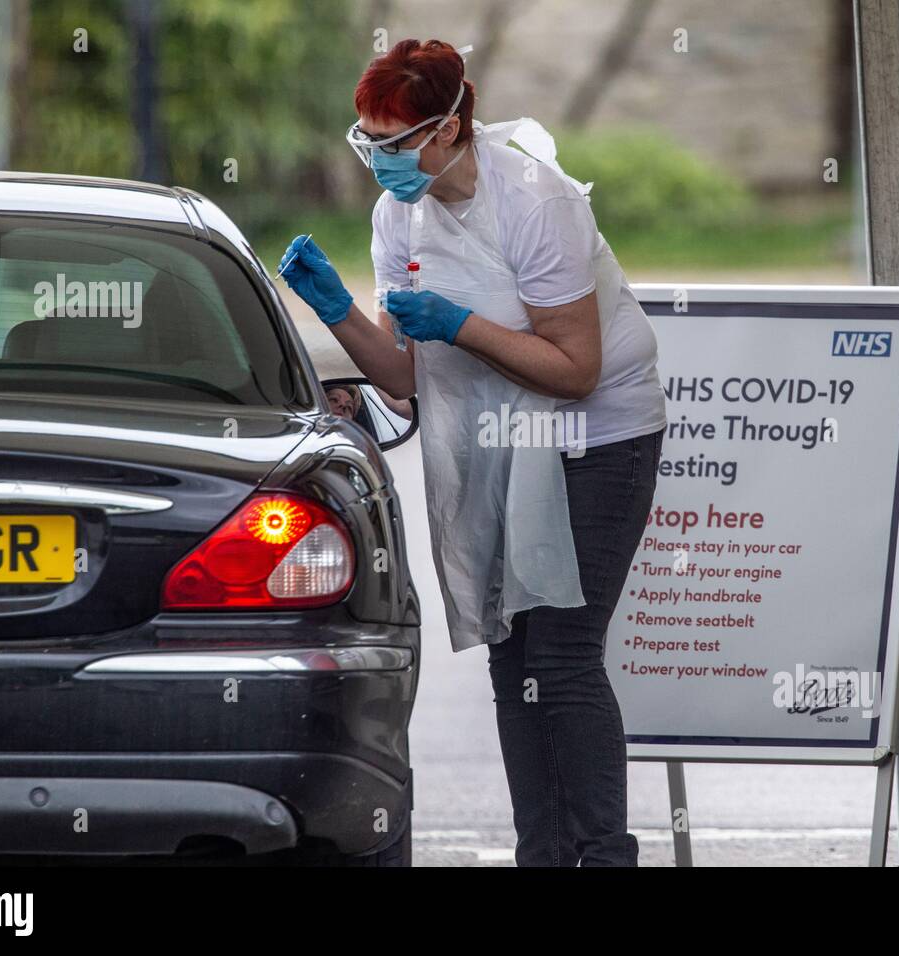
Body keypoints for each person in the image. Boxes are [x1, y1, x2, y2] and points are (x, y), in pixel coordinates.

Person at [280, 38, 666, 867]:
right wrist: (337, 313)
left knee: (561, 655)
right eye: (367, 142)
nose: (379, 162)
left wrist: (462, 325)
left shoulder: (536, 200)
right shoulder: (398, 215)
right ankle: (545, 852)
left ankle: (601, 854)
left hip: (595, 438)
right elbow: (403, 378)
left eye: (395, 143)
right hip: (498, 444)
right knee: (512, 655)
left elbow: (576, 370)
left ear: (451, 127)